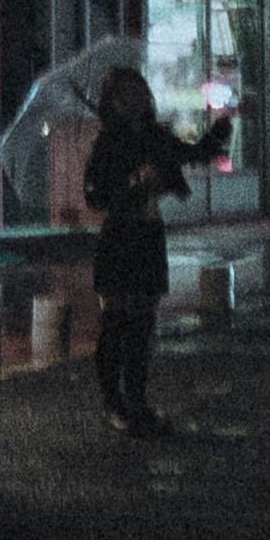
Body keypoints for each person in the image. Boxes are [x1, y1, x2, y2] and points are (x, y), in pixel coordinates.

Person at [81, 64, 218, 435]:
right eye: (124, 93)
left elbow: (188, 154)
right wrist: (131, 183)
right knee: (116, 322)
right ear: (112, 102)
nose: (135, 98)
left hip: (148, 235)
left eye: (138, 89)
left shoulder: (155, 137)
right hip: (119, 237)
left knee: (142, 323)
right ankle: (114, 401)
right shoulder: (108, 142)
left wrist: (213, 138)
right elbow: (94, 194)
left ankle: (138, 400)